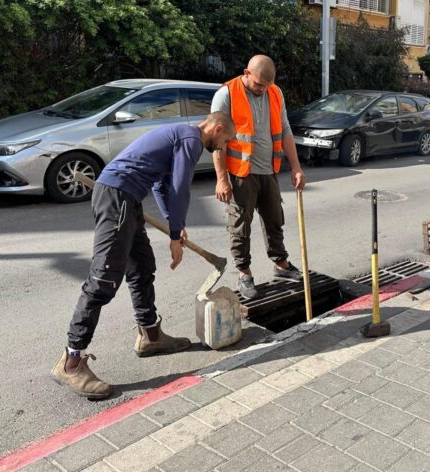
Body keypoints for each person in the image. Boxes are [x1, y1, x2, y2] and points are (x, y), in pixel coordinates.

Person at [51, 113, 236, 400]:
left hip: (128, 199)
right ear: (218, 128)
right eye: (226, 140)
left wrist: (176, 225)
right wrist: (175, 235)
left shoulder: (180, 135)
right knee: (103, 280)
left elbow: (162, 186)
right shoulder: (191, 139)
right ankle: (71, 361)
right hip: (117, 197)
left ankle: (150, 336)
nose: (223, 146)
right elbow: (179, 188)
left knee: (142, 268)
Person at [211, 55, 306, 300]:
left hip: (269, 170)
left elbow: (285, 130)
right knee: (240, 225)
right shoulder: (227, 94)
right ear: (246, 73)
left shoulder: (275, 93)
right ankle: (244, 273)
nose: (262, 89)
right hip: (241, 173)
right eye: (258, 85)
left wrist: (296, 167)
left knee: (275, 218)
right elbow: (216, 139)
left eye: (266, 85)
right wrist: (222, 178)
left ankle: (281, 264)